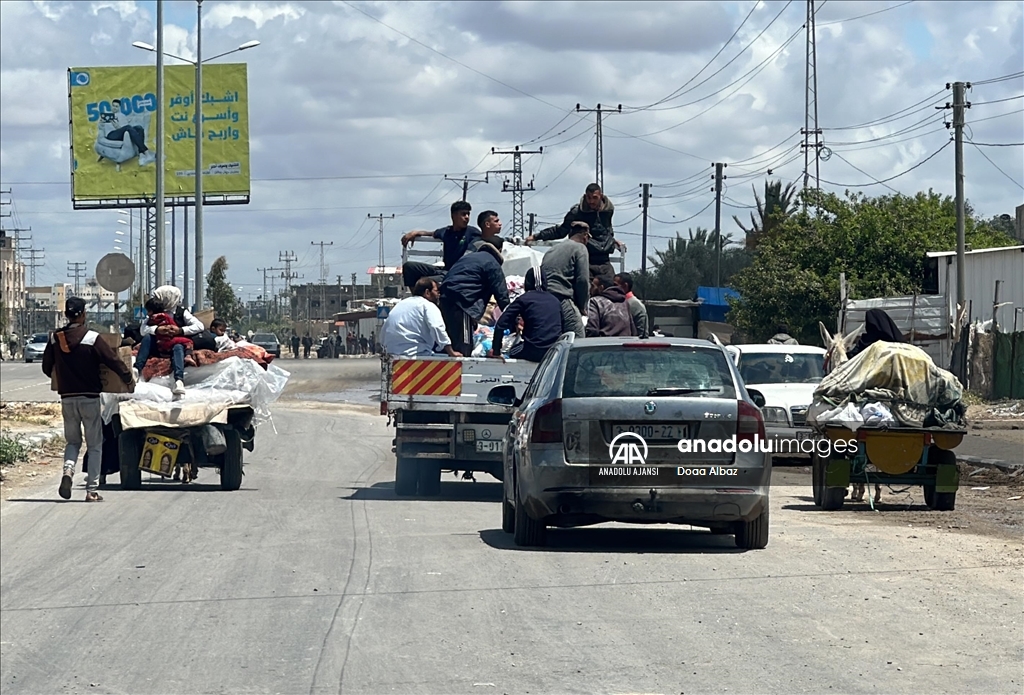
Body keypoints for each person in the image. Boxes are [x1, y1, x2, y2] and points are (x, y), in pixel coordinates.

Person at [42, 297, 133, 502]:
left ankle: (68, 470)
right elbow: (113, 360)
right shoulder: (92, 338)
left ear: (66, 315)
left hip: (67, 398)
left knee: (73, 441)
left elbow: (47, 367)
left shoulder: (56, 338)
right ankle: (91, 490)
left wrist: (62, 377)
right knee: (94, 445)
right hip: (90, 398)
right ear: (83, 314)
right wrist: (128, 378)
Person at [526, 183, 622, 279]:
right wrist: (537, 236)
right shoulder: (577, 212)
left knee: (612, 284)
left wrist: (612, 240)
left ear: (601, 196)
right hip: (586, 258)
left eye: (595, 198)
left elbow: (606, 230)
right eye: (589, 198)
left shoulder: (607, 211)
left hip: (604, 259)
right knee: (584, 283)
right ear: (585, 196)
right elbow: (561, 230)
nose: (591, 201)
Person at [440, 239, 510, 355]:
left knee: (450, 342)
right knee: (464, 346)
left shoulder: (468, 258)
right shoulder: (492, 263)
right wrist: (513, 318)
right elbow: (502, 295)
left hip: (445, 299)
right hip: (462, 303)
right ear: (499, 250)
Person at [400, 201, 482, 290]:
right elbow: (431, 233)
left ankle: (424, 295)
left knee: (424, 282)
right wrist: (415, 233)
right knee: (409, 267)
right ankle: (416, 296)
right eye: (463, 214)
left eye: (468, 214)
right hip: (444, 270)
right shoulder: (446, 231)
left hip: (457, 273)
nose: (467, 217)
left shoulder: (472, 233)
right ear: (453, 216)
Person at [490, 268, 561, 363]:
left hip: (532, 351)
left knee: (511, 351)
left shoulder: (523, 300)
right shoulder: (555, 301)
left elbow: (500, 324)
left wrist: (496, 351)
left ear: (527, 283)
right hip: (553, 352)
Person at [381, 277, 463, 357]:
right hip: (416, 354)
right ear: (427, 292)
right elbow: (436, 327)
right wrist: (451, 352)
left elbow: (385, 328)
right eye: (436, 291)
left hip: (392, 355)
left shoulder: (400, 305)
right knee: (449, 361)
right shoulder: (427, 305)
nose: (438, 295)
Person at [540, 221, 591, 338]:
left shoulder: (552, 249)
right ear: (585, 236)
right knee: (578, 337)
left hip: (545, 299)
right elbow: (582, 280)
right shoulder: (580, 248)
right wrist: (582, 306)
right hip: (562, 298)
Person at [103, 99, 154, 166]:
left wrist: (116, 125)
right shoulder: (106, 115)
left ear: (119, 107)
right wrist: (107, 122)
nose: (114, 108)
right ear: (111, 106)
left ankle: (141, 154)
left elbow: (124, 128)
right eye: (113, 106)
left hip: (121, 133)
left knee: (139, 128)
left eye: (116, 106)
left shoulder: (122, 116)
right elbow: (102, 126)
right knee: (128, 127)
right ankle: (146, 152)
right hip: (110, 135)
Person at [614, 272, 649, 339]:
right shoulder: (615, 302)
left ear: (625, 286)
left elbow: (642, 333)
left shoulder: (636, 305)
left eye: (615, 285)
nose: (612, 288)